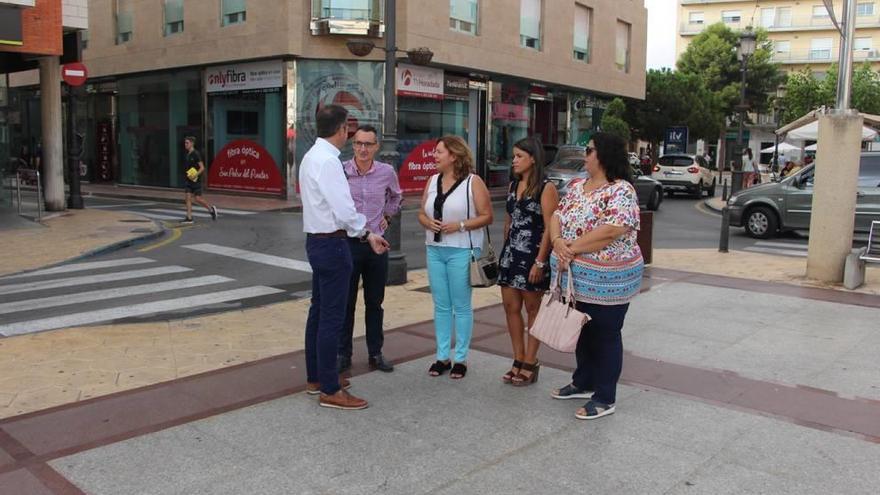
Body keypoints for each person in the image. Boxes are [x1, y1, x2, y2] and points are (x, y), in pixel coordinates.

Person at [548, 132, 644, 421]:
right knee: (582, 330)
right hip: (575, 276)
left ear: (602, 154)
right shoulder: (578, 185)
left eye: (588, 150)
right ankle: (583, 381)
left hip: (609, 280)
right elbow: (557, 215)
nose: (584, 154)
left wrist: (571, 248)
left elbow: (613, 229)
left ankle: (605, 396)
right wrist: (557, 242)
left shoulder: (621, 190)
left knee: (605, 333)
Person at [300, 104, 389, 410]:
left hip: (316, 240)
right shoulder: (328, 162)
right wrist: (368, 234)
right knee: (331, 318)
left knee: (319, 311)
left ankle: (316, 377)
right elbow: (345, 210)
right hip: (333, 244)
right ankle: (330, 387)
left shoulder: (311, 156)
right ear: (343, 130)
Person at [418, 135, 493, 380]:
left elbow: (487, 216)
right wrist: (428, 222)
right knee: (440, 305)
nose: (434, 156)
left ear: (454, 155)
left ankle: (460, 359)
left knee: (461, 305)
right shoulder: (431, 181)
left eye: (439, 152)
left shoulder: (474, 182)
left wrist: (459, 225)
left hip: (462, 250)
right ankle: (442, 357)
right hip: (435, 249)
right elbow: (421, 213)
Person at [337, 125, 402, 374]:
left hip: (377, 247)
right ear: (352, 145)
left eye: (368, 144)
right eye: (358, 144)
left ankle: (375, 352)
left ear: (376, 147)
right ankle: (344, 353)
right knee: (347, 303)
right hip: (348, 245)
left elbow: (397, 197)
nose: (363, 149)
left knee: (375, 302)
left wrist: (388, 215)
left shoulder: (386, 172)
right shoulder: (341, 171)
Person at [498, 137, 558, 386]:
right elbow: (509, 219)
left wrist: (541, 262)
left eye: (519, 156)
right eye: (513, 156)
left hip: (533, 257)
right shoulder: (513, 185)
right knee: (511, 308)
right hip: (511, 255)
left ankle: (531, 361)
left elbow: (549, 228)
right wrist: (505, 250)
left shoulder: (546, 188)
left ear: (533, 158)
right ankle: (518, 357)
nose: (514, 161)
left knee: (533, 310)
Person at [181, 136, 218, 224]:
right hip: (188, 180)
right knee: (187, 198)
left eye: (187, 143)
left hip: (196, 180)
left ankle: (211, 209)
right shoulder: (187, 154)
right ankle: (189, 218)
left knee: (198, 199)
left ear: (192, 144)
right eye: (185, 143)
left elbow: (202, 168)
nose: (185, 144)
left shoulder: (196, 154)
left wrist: (195, 175)